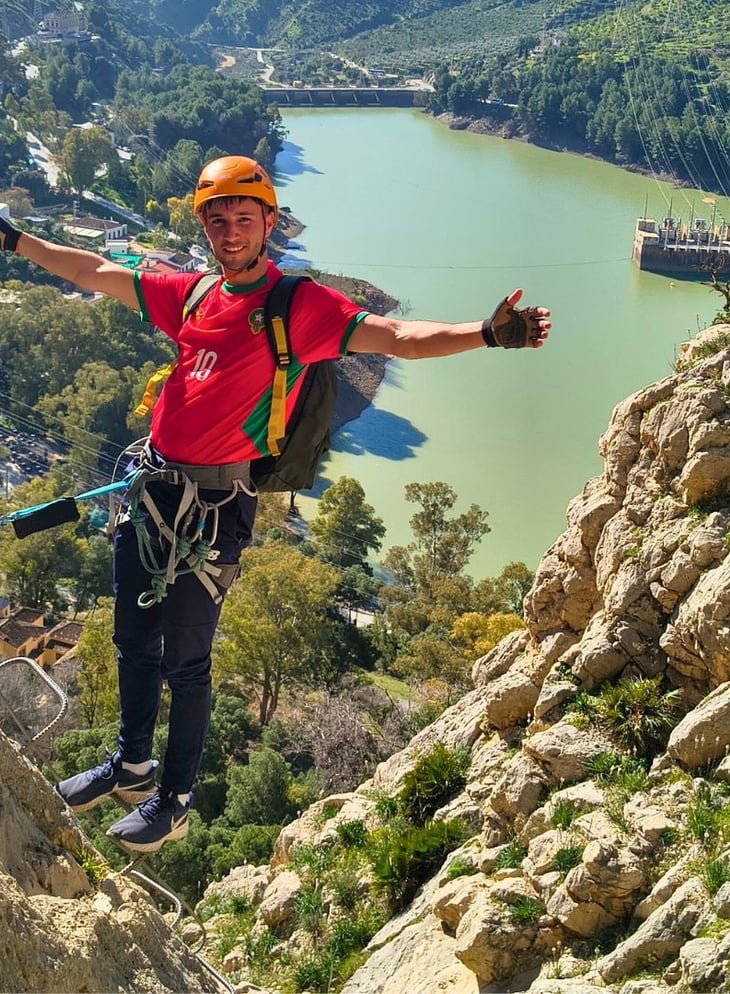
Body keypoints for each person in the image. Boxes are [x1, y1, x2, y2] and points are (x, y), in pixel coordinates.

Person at [0, 156, 551, 852]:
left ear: (267, 224)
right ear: (204, 227)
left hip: (212, 507)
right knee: (132, 640)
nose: (230, 231)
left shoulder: (299, 306)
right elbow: (93, 271)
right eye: (217, 219)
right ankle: (130, 766)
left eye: (243, 218)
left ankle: (173, 799)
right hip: (153, 489)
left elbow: (397, 338)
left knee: (187, 660)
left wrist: (485, 332)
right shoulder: (194, 295)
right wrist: (15, 241)